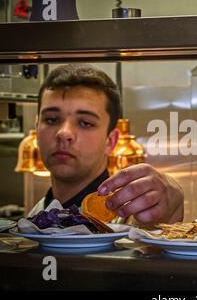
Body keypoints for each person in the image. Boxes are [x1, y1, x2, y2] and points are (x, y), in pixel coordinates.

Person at [28, 64, 184, 225]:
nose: (64, 133)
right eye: (52, 119)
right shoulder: (34, 216)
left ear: (111, 141)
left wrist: (172, 196)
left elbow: (157, 232)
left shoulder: (131, 217)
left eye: (85, 123)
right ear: (36, 128)